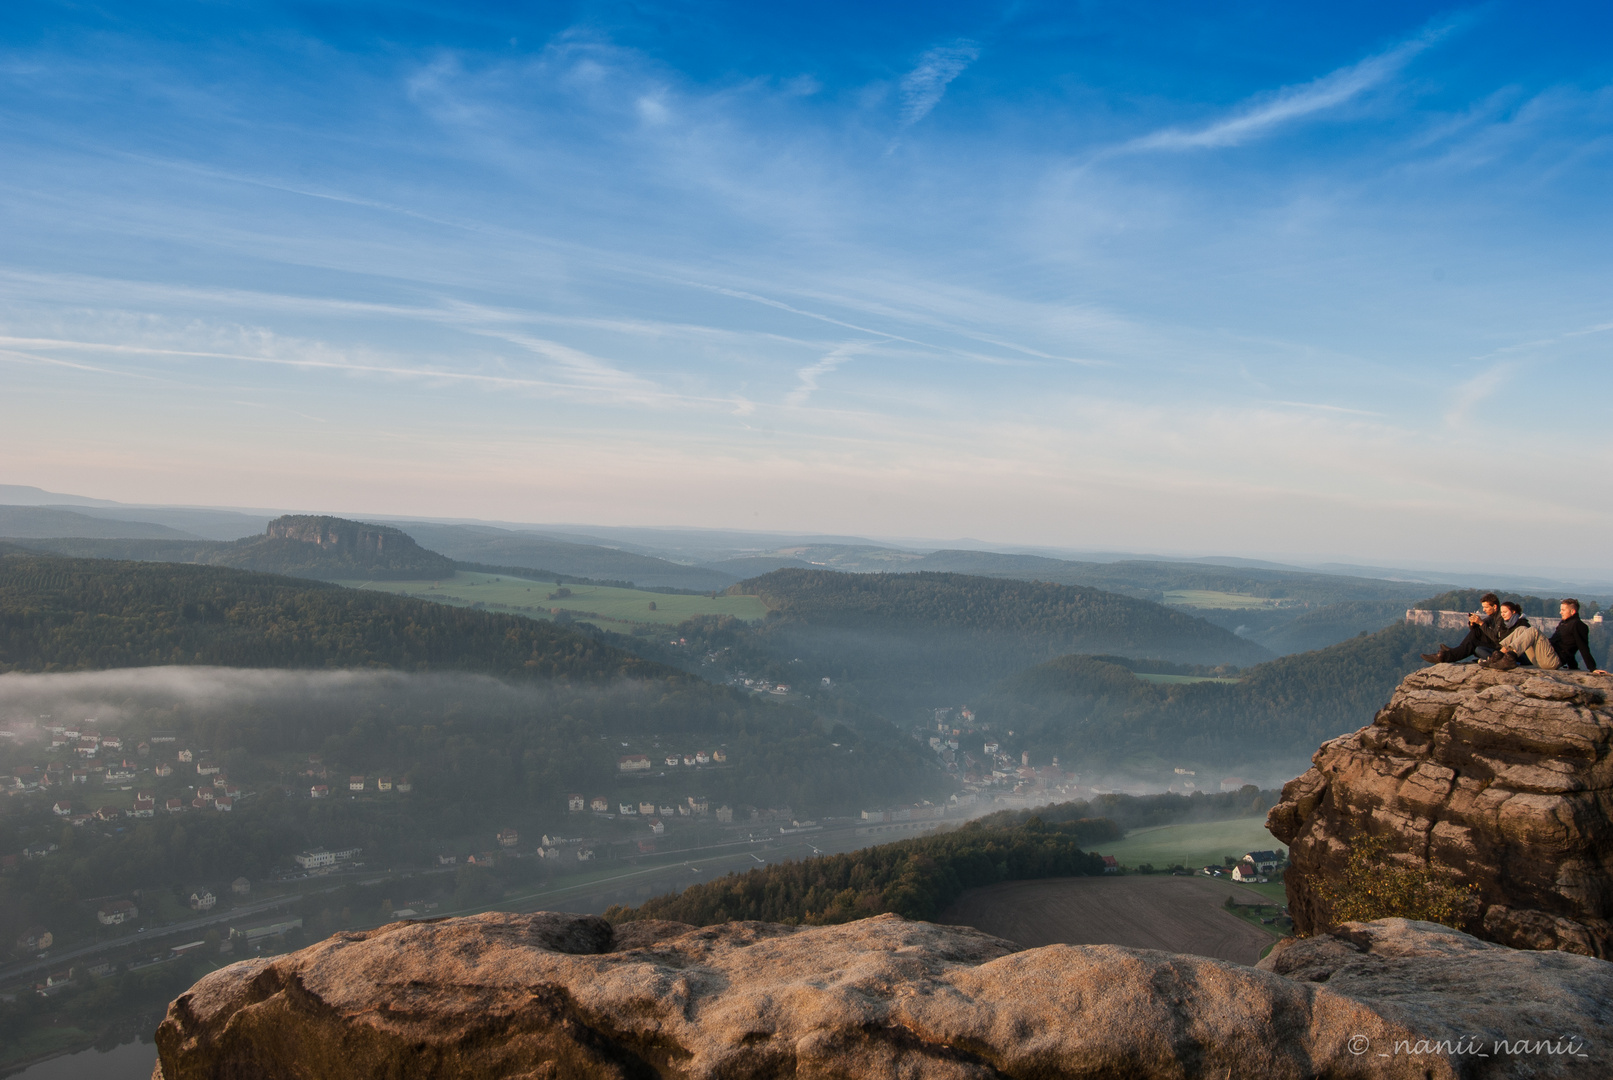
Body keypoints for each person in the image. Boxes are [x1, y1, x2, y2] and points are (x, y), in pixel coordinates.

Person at [1422, 593, 1506, 664]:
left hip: (1499, 648)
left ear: (1494, 606)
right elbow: (1478, 630)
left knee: (1472, 643)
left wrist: (1480, 623)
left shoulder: (1501, 618)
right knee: (1476, 632)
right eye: (1483, 607)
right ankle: (1456, 650)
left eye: (1486, 607)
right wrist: (1473, 624)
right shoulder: (1493, 616)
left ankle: (1444, 657)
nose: (1484, 610)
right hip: (1493, 643)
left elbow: (1497, 638)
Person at [1549, 599, 1603, 672]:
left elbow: (1583, 647)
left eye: (1563, 610)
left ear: (1572, 611)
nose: (1560, 612)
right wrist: (1573, 666)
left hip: (1552, 660)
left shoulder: (1578, 625)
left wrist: (1592, 668)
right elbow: (1568, 646)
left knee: (1534, 632)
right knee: (1529, 631)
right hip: (1549, 656)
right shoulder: (1564, 623)